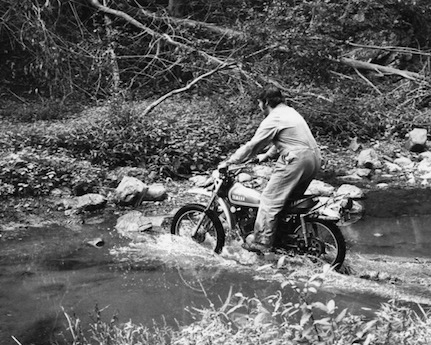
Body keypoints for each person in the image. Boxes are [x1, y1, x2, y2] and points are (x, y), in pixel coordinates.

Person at [224, 85, 321, 253]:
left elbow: (253, 145)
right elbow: (287, 139)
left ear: (266, 102)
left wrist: (231, 161)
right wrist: (267, 156)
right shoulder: (290, 112)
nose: (259, 107)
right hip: (313, 159)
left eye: (259, 103)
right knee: (288, 203)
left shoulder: (273, 118)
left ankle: (261, 242)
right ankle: (284, 238)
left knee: (269, 200)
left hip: (296, 160)